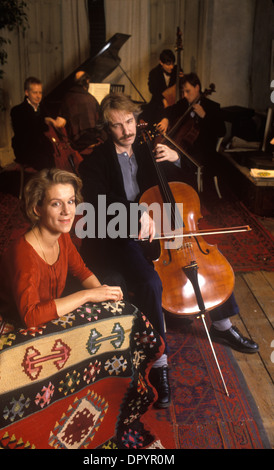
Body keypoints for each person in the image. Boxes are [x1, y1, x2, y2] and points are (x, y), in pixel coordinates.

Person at [78, 93, 259, 408]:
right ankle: (159, 362)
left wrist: (175, 160)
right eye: (118, 126)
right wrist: (134, 214)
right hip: (122, 230)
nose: (126, 131)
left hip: (162, 224)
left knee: (203, 261)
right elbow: (95, 200)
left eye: (130, 122)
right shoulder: (96, 160)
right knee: (150, 283)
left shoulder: (149, 148)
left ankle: (223, 325)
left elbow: (179, 189)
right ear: (108, 129)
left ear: (137, 120)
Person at [0, 168, 124, 329]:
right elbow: (30, 317)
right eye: (56, 204)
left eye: (70, 201)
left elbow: (81, 271)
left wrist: (103, 295)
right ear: (37, 209)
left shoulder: (61, 235)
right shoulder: (23, 254)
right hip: (18, 324)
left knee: (112, 282)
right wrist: (88, 295)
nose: (67, 211)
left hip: (50, 307)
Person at [157, 72, 226, 185]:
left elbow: (221, 131)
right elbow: (168, 111)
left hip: (203, 151)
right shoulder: (184, 103)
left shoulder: (212, 107)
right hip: (185, 147)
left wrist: (204, 116)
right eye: (183, 91)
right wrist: (165, 119)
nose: (184, 95)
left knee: (175, 161)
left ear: (197, 88)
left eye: (187, 91)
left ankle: (186, 189)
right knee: (165, 160)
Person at [10, 77, 65, 170]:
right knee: (46, 161)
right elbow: (29, 132)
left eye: (40, 92)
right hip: (26, 149)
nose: (38, 96)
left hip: (43, 147)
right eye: (35, 92)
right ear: (27, 92)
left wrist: (62, 119)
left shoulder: (43, 107)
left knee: (53, 158)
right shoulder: (17, 110)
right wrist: (45, 121)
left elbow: (54, 120)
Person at [60, 71, 105, 153]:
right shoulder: (92, 99)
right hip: (91, 140)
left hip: (76, 141)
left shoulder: (67, 97)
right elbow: (100, 123)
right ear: (87, 82)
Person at [141, 49, 177, 126]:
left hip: (173, 103)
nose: (171, 67)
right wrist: (163, 99)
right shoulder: (154, 73)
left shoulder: (177, 70)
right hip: (158, 102)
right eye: (168, 64)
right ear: (161, 62)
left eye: (173, 64)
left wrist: (182, 78)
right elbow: (153, 89)